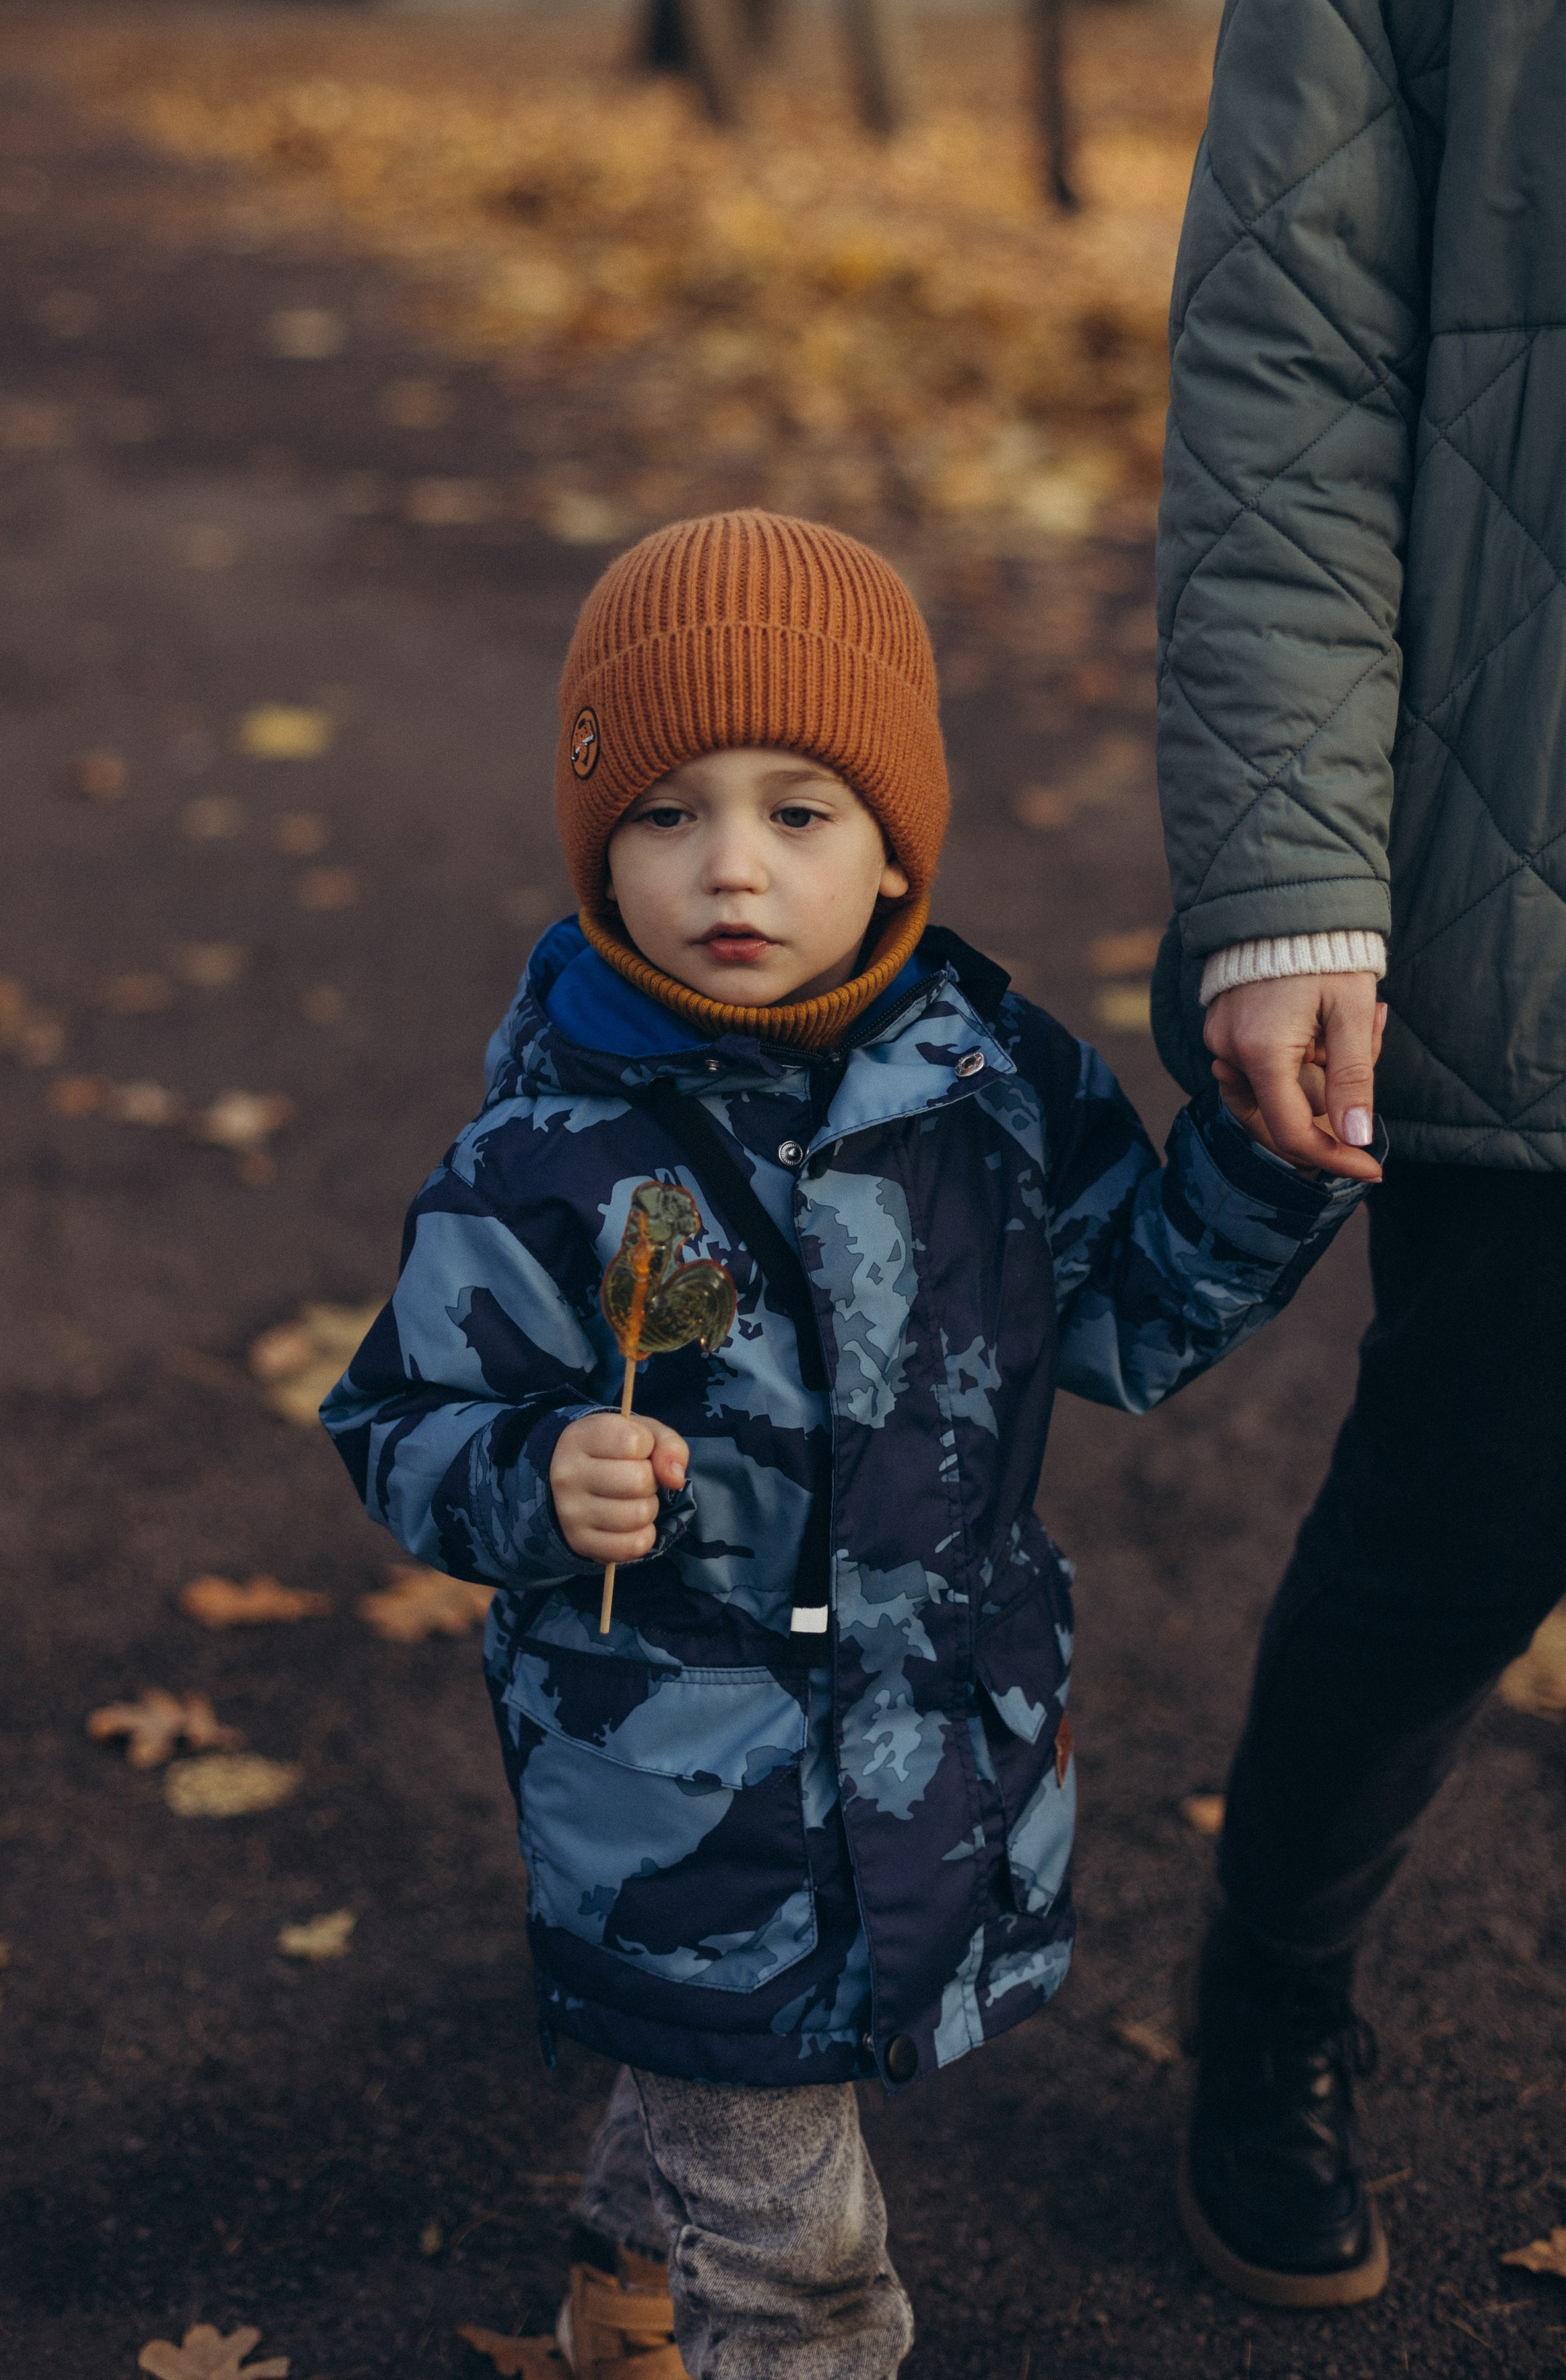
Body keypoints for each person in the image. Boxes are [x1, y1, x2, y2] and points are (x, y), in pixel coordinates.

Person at [323, 509, 1369, 2380]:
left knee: (736, 2072)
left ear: (896, 840)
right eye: (667, 814)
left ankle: (620, 2282)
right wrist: (531, 1473)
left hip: (928, 1740)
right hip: (681, 1807)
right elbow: (399, 1414)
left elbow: (1117, 1324)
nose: (732, 866)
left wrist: (1252, 1175)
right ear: (597, 847)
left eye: (798, 811)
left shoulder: (987, 1079)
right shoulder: (550, 1155)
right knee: (807, 2273)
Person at [1150, 0, 1566, 2316]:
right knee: (1457, 1524)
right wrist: (1298, 879)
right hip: (1534, 858)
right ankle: (1270, 2002)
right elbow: (1295, 336)